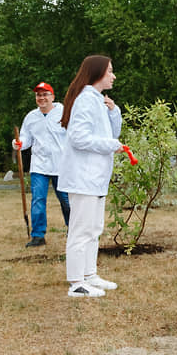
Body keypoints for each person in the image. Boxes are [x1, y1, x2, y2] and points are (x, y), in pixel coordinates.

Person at [57, 55, 124, 298]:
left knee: (94, 228)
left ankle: (89, 274)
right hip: (83, 178)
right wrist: (110, 145)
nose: (113, 76)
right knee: (81, 230)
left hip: (95, 178)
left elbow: (110, 132)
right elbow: (79, 138)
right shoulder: (85, 100)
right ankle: (76, 283)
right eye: (110, 71)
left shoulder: (97, 100)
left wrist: (114, 111)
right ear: (97, 73)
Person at [13, 81, 72, 248]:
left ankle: (73, 230)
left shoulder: (63, 112)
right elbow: (25, 139)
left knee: (66, 200)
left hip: (61, 165)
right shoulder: (31, 117)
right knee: (38, 200)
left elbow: (74, 135)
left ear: (52, 96)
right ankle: (38, 236)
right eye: (39, 95)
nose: (42, 98)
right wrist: (18, 143)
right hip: (39, 165)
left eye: (45, 94)